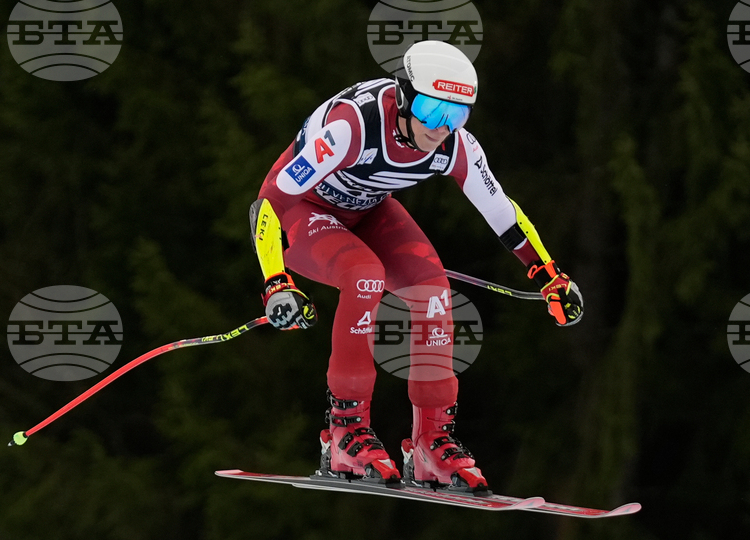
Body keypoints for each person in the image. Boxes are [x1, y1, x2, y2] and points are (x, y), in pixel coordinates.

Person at [249, 41, 583, 494]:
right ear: (405, 97)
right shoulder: (353, 126)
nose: (441, 127)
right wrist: (276, 282)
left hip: (366, 209)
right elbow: (271, 201)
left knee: (432, 287)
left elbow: (502, 212)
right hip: (302, 213)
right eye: (431, 110)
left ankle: (430, 443)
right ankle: (345, 431)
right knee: (364, 276)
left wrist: (549, 276)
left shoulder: (456, 146)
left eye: (457, 115)